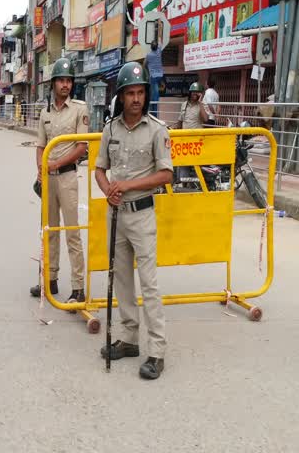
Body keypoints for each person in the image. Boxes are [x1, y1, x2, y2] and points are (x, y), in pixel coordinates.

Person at [94, 61, 173, 380]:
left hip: (142, 214)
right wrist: (107, 191)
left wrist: (126, 186)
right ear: (121, 96)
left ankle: (157, 351)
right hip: (116, 215)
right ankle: (128, 339)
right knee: (122, 279)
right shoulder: (110, 129)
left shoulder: (157, 130)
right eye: (130, 93)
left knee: (149, 284)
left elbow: (167, 174)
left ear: (146, 94)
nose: (136, 99)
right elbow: (100, 169)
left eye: (141, 92)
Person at [30, 57, 89, 306]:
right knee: (49, 231)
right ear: (53, 83)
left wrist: (54, 164)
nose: (65, 85)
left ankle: (78, 288)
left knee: (72, 232)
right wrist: (40, 169)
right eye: (61, 80)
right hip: (49, 179)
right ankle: (50, 279)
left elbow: (82, 147)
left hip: (66, 176)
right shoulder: (45, 112)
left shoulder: (79, 109)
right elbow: (41, 145)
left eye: (68, 80)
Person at [143, 41, 164, 117]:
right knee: (155, 93)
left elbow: (144, 64)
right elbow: (160, 41)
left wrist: (147, 71)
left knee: (154, 96)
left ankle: (154, 115)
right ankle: (153, 112)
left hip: (153, 76)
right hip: (160, 75)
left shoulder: (149, 55)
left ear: (151, 47)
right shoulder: (159, 52)